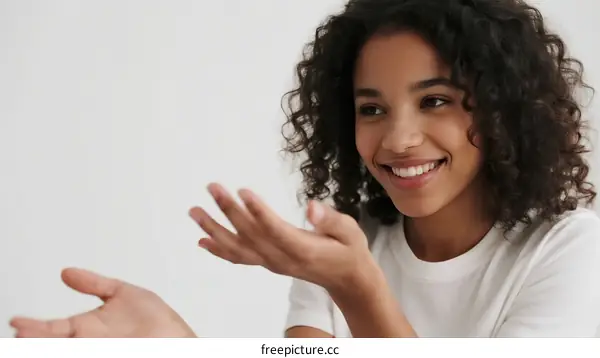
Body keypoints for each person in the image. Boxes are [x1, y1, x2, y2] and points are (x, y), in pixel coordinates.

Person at [9, 0, 600, 338]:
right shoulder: (345, 245)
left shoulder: (569, 251)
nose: (397, 138)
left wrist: (357, 288)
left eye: (435, 100)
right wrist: (179, 344)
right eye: (371, 108)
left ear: (504, 107)